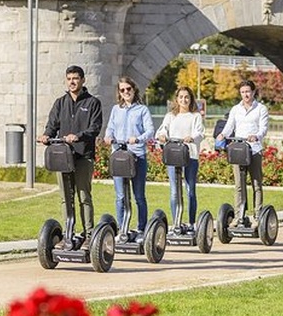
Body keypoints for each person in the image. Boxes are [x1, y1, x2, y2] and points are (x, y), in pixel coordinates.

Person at [38, 65, 103, 246]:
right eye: (69, 79)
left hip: (83, 156)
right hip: (63, 157)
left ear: (83, 80)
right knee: (65, 197)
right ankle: (68, 233)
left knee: (83, 196)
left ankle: (89, 235)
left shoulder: (92, 103)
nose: (72, 82)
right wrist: (46, 136)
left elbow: (95, 128)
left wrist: (78, 136)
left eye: (75, 78)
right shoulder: (60, 102)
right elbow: (52, 124)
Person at [103, 75, 154, 236]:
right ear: (119, 92)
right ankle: (121, 229)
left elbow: (150, 131)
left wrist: (138, 138)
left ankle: (141, 229)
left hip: (137, 155)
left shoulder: (142, 110)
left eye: (128, 89)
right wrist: (108, 136)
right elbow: (110, 127)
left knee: (138, 195)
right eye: (122, 90)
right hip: (119, 155)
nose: (126, 92)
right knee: (120, 196)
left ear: (134, 90)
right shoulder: (116, 110)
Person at [216, 80, 269, 225]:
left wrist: (256, 136)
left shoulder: (261, 109)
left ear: (253, 92)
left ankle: (258, 216)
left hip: (254, 149)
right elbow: (229, 127)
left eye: (248, 91)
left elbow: (263, 128)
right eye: (243, 92)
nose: (245, 94)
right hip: (238, 150)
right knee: (239, 185)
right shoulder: (235, 109)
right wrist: (222, 135)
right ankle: (239, 216)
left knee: (256, 183)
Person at [155, 86, 204, 228]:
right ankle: (176, 223)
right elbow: (162, 129)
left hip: (190, 155)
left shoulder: (196, 116)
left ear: (191, 99)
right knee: (174, 191)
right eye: (181, 97)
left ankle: (191, 223)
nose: (184, 99)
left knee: (190, 190)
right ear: (176, 99)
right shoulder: (170, 116)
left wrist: (192, 137)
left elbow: (200, 133)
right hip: (173, 156)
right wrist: (162, 136)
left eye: (187, 97)